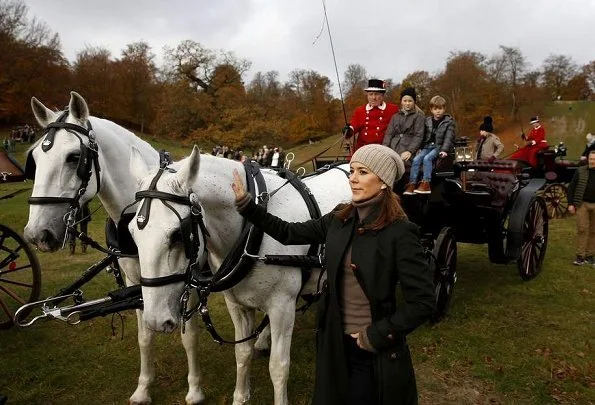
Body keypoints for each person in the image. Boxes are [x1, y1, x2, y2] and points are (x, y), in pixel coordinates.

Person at [232, 144, 435, 405]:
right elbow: (289, 232)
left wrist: (376, 335)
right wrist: (248, 207)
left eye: (363, 172)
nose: (352, 178)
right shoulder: (340, 217)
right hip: (333, 344)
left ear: (383, 182)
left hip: (372, 352)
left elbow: (422, 302)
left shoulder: (400, 233)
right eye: (352, 171)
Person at [405, 95, 456, 195]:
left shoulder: (449, 122)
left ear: (444, 109)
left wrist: (444, 150)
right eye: (435, 109)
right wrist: (419, 148)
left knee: (427, 158)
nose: (438, 111)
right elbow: (423, 136)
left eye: (440, 109)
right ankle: (412, 183)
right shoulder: (427, 120)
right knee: (416, 159)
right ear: (431, 109)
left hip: (439, 146)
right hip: (427, 146)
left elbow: (448, 138)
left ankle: (426, 182)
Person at [343, 79, 399, 153]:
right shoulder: (360, 110)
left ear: (382, 95)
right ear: (367, 95)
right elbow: (354, 125)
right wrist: (348, 130)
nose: (373, 98)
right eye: (371, 94)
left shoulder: (392, 109)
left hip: (384, 150)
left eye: (376, 94)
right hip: (363, 150)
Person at [382, 87, 425, 165]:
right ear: (401, 102)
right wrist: (385, 149)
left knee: (404, 165)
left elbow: (418, 136)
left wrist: (410, 151)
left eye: (410, 101)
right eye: (405, 101)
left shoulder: (419, 117)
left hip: (409, 148)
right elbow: (389, 134)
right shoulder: (395, 116)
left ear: (414, 102)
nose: (407, 103)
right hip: (394, 147)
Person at [568, 150, 595, 265]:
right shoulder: (580, 171)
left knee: (594, 231)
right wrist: (570, 204)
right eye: (591, 159)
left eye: (594, 159)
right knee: (582, 229)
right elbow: (571, 188)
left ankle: (590, 256)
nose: (592, 161)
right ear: (588, 159)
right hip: (582, 204)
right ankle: (580, 256)